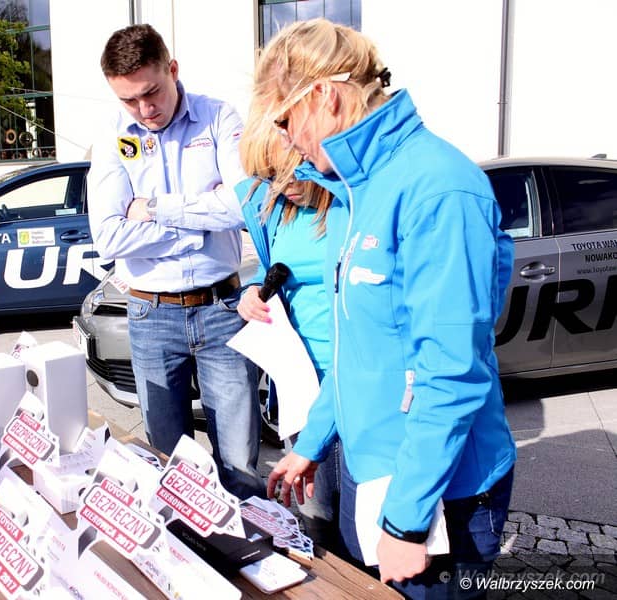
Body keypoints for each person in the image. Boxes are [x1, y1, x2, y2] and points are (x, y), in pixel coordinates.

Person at [258, 19, 516, 598]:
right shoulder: (354, 193)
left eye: (284, 121)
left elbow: (451, 370)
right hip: (379, 475)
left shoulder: (438, 188)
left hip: (442, 494)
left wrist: (406, 520)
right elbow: (357, 353)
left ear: (323, 96)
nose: (286, 141)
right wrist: (311, 443)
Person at [87, 24, 264, 500]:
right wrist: (198, 223)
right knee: (168, 466)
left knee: (240, 465)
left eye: (152, 92)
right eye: (129, 101)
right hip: (151, 315)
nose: (145, 110)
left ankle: (251, 543)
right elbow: (109, 237)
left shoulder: (218, 118)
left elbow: (243, 207)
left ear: (173, 70)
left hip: (222, 309)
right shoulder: (110, 136)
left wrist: (156, 209)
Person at [233, 104, 342, 553]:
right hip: (300, 382)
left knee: (363, 515)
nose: (284, 186)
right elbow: (272, 269)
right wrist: (252, 292)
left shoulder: (351, 208)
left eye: (290, 171)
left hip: (350, 377)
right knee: (316, 512)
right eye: (270, 177)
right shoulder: (278, 209)